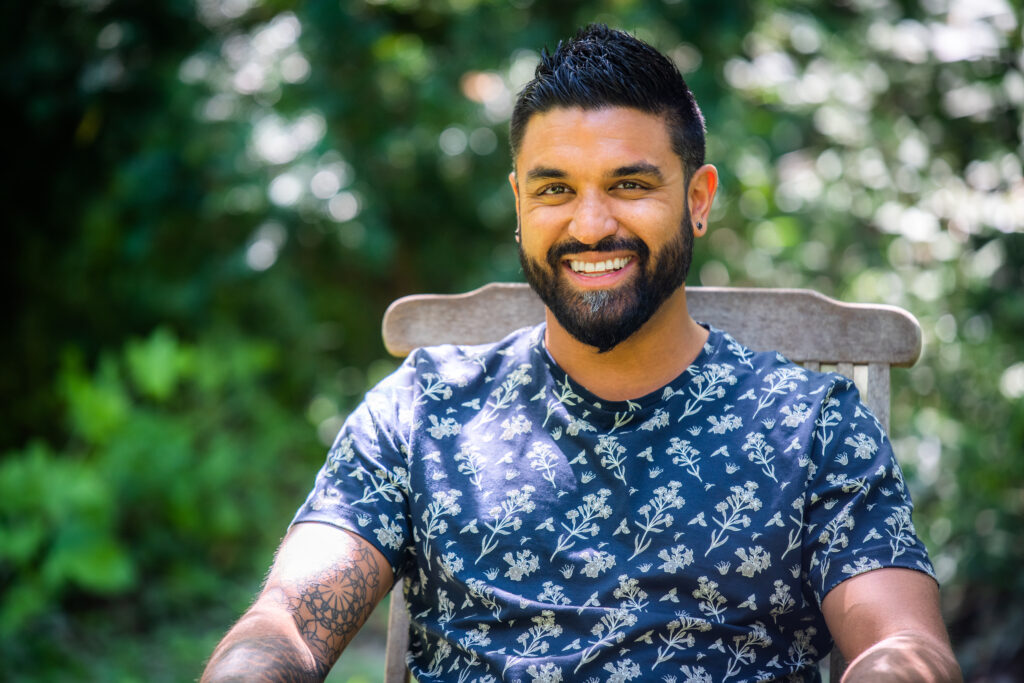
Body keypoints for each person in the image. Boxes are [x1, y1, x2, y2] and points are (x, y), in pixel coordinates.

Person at [202, 24, 961, 682]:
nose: (591, 225)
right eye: (555, 189)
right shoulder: (423, 410)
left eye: (629, 184)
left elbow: (901, 641)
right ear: (520, 204)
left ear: (698, 200)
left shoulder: (808, 425)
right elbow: (290, 621)